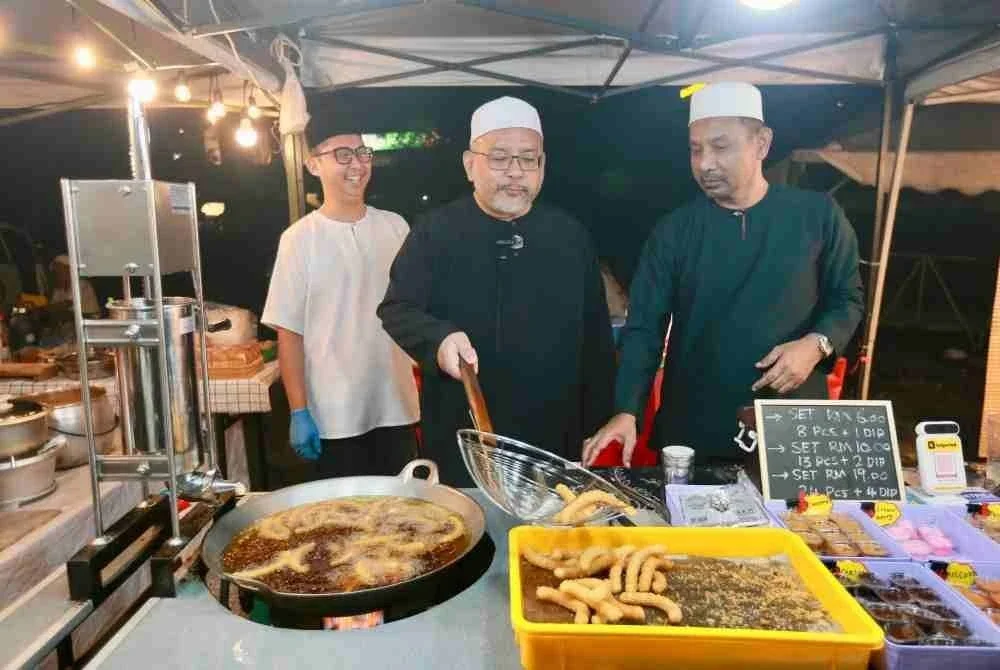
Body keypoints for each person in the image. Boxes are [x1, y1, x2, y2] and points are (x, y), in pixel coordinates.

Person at [584, 82, 864, 468]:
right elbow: (645, 329)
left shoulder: (818, 215)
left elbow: (846, 298)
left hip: (793, 424)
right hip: (695, 427)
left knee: (791, 526)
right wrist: (627, 410)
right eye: (695, 149)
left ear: (762, 144)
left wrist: (816, 344)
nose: (704, 163)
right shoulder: (675, 230)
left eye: (720, 146)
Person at [378, 96, 615, 485]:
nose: (515, 172)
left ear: (542, 166)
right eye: (501, 158)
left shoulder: (570, 235)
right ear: (471, 165)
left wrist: (598, 418)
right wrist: (439, 338)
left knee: (549, 540)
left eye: (528, 159)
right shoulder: (435, 232)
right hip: (466, 433)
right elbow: (397, 308)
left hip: (553, 436)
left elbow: (596, 337)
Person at [262, 118, 419, 478]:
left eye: (362, 153)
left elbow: (417, 310)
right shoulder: (299, 239)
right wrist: (298, 411)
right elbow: (289, 333)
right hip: (333, 413)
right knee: (345, 522)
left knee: (402, 518)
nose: (357, 164)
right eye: (343, 154)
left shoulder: (396, 227)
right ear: (313, 164)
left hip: (395, 402)